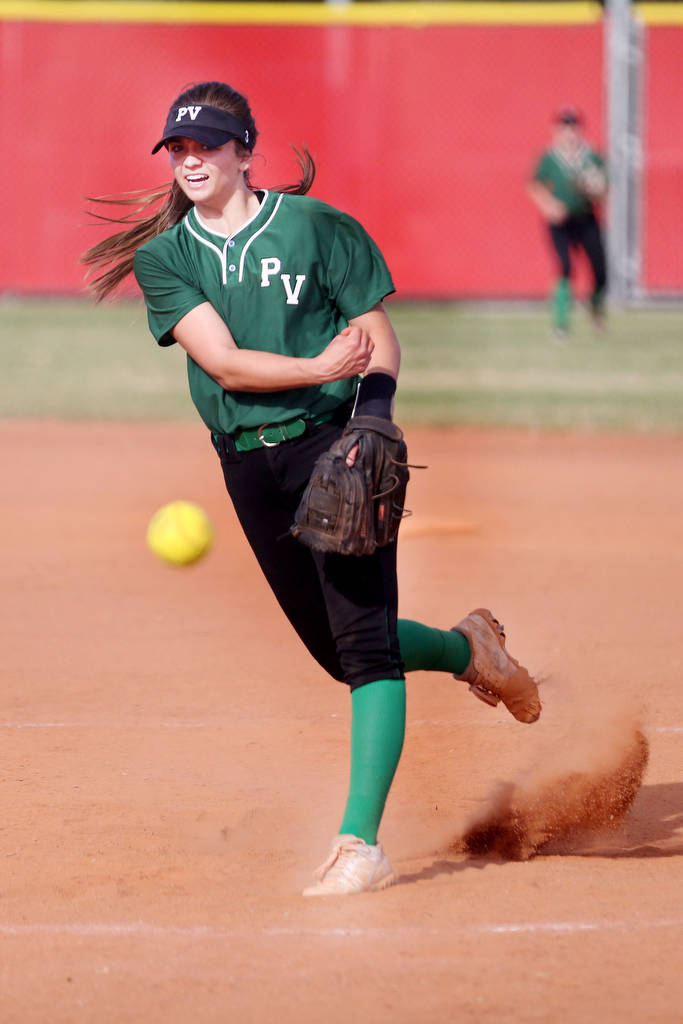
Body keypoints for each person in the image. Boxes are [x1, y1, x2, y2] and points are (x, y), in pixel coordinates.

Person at [82, 81, 541, 897]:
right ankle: (470, 648)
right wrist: (318, 367)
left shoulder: (316, 228)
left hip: (336, 447)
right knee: (335, 652)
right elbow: (222, 362)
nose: (191, 160)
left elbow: (380, 338)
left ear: (244, 150)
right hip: (246, 466)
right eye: (179, 149)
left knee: (364, 646)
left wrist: (372, 419)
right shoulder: (166, 258)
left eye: (207, 146)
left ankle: (359, 845)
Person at [528, 105, 608, 339]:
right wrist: (549, 205)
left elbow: (603, 188)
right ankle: (561, 324)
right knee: (564, 268)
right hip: (561, 222)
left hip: (586, 219)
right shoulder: (550, 157)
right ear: (556, 130)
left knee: (600, 271)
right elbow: (535, 184)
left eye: (572, 126)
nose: (569, 132)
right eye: (564, 127)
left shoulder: (591, 156)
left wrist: (593, 189)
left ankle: (595, 309)